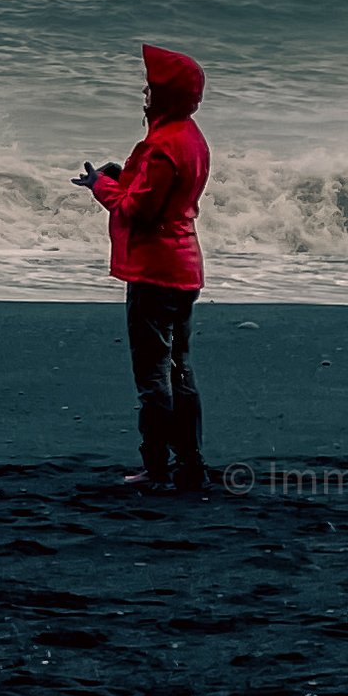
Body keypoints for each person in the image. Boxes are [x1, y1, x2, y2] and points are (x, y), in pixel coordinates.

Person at [73, 44, 211, 491]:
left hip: (155, 271)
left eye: (150, 88)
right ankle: (189, 461)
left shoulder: (162, 145)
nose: (144, 93)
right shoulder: (191, 138)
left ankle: (154, 467)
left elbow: (136, 210)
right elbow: (161, 193)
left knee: (153, 373)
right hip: (185, 266)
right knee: (179, 367)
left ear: (162, 96)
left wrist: (101, 185)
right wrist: (121, 174)